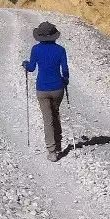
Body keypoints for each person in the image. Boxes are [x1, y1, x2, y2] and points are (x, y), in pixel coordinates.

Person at [23, 21, 69, 161]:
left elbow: (31, 68)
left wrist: (25, 64)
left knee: (47, 119)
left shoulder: (36, 49)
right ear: (54, 36)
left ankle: (52, 151)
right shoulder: (60, 50)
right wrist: (65, 80)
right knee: (55, 114)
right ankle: (59, 143)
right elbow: (65, 70)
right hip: (57, 88)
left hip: (42, 89)